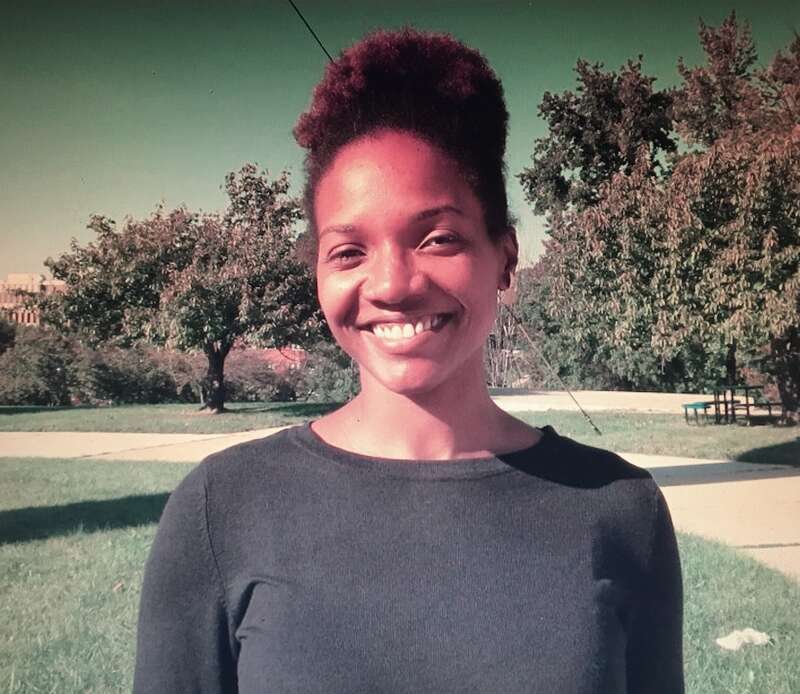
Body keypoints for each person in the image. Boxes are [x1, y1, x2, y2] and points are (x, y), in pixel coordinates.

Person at [134, 28, 684, 693]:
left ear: (504, 256)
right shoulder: (220, 509)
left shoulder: (621, 511)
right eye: (349, 251)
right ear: (317, 273)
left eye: (438, 238)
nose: (391, 284)